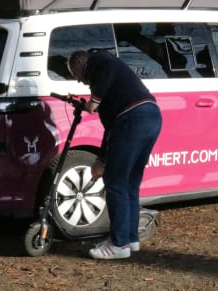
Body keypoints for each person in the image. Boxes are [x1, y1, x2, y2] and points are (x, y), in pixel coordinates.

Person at [67, 49, 162, 260]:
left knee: (116, 183)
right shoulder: (111, 93)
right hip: (150, 117)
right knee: (129, 183)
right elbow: (110, 131)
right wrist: (101, 160)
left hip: (134, 118)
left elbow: (107, 65)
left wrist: (94, 100)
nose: (80, 81)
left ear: (80, 65)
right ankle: (130, 239)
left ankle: (118, 244)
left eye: (77, 75)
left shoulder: (99, 59)